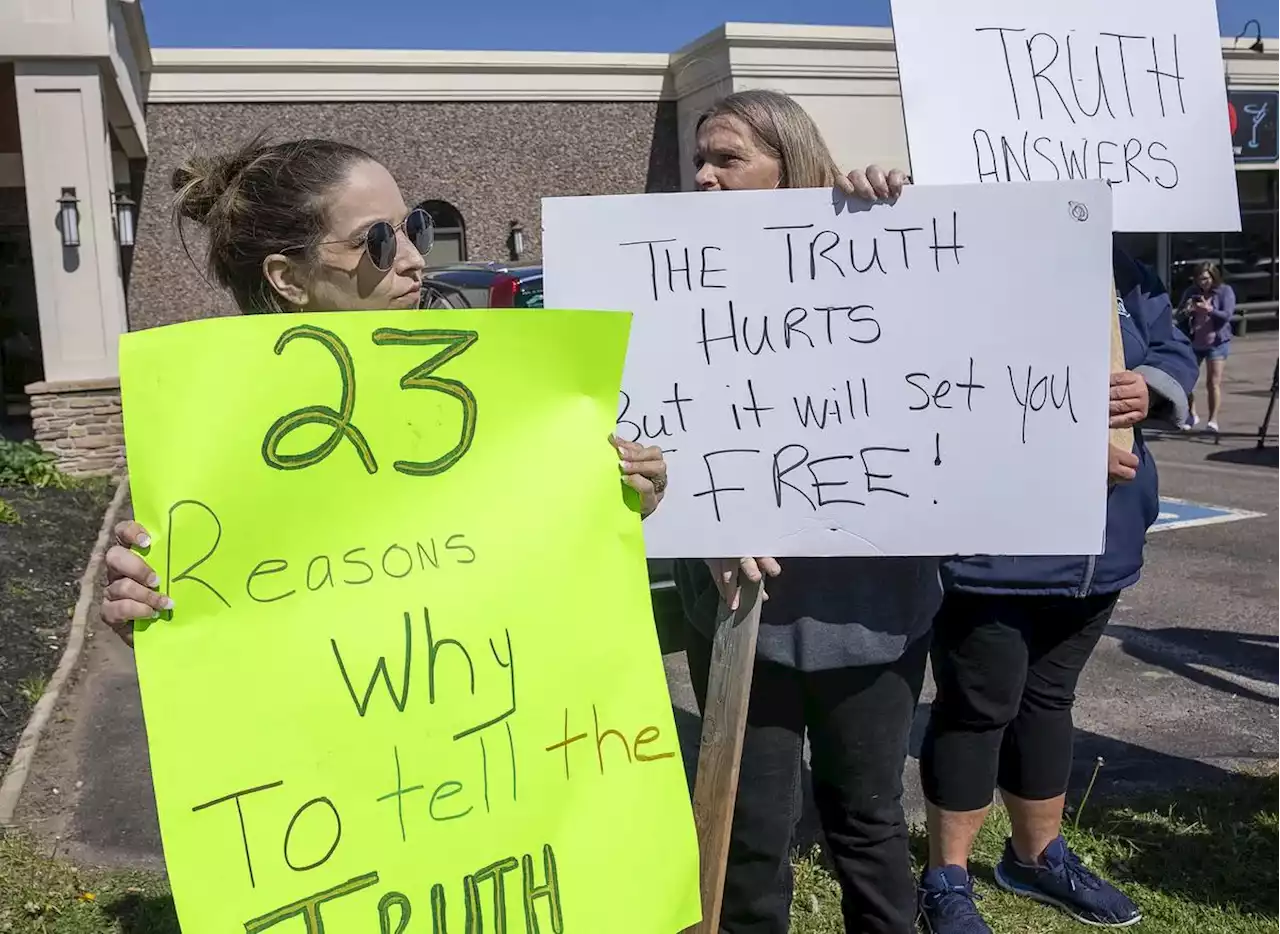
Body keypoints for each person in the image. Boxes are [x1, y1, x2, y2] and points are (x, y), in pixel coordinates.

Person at [100, 137, 668, 639]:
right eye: (376, 240)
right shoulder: (209, 439)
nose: (416, 259)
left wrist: (624, 497)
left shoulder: (492, 388)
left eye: (411, 227)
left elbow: (526, 554)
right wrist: (155, 614)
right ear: (289, 279)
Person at [675, 88, 934, 934]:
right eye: (699, 162)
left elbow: (953, 347)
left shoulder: (875, 238)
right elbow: (650, 433)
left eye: (728, 160)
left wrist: (885, 207)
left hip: (871, 612)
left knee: (867, 819)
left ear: (792, 164)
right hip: (742, 609)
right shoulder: (670, 280)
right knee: (751, 832)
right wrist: (698, 528)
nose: (705, 178)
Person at [917, 246, 1197, 933]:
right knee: (978, 706)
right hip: (993, 547)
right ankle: (945, 878)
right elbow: (939, 382)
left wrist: (1151, 385)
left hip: (1099, 546)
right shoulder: (961, 250)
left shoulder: (1125, 268)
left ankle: (1036, 856)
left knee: (1048, 701)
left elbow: (1173, 349)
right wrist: (1054, 440)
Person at [1177, 261, 1236, 433]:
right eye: (1200, 279)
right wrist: (1188, 310)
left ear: (1213, 277)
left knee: (1213, 383)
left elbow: (1227, 315)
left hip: (1217, 343)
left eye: (1206, 279)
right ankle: (1191, 414)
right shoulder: (1191, 292)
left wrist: (1209, 309)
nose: (1203, 283)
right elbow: (1179, 314)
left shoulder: (1225, 291)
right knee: (1187, 381)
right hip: (1195, 342)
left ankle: (1212, 420)